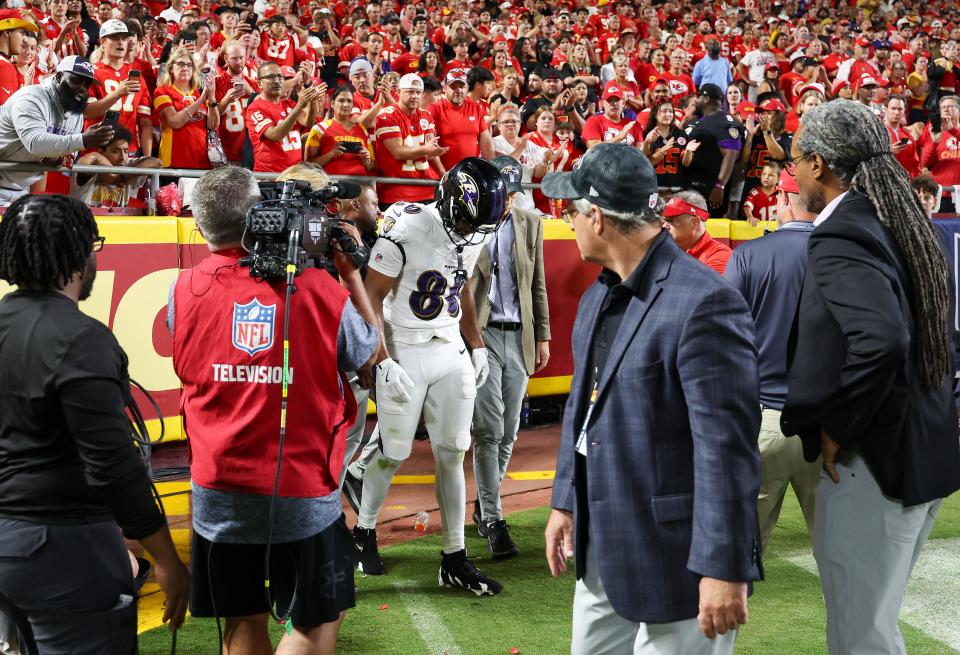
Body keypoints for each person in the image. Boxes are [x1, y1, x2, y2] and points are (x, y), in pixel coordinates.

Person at [541, 142, 762, 654]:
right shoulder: (600, 291)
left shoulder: (706, 300)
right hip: (601, 539)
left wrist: (724, 566)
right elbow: (583, 408)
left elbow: (725, 449)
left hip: (679, 557)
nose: (568, 222)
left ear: (596, 216)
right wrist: (565, 499)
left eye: (571, 211)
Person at [169, 166, 380, 655]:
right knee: (316, 622)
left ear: (200, 226)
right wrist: (348, 272)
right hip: (302, 490)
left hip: (217, 490)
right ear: (260, 217)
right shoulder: (317, 288)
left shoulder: (181, 290)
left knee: (241, 625)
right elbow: (369, 355)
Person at [782, 99, 960, 654]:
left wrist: (838, 426)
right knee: (870, 626)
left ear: (819, 163)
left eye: (794, 162)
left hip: (873, 464)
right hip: (922, 452)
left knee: (862, 637)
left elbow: (882, 340)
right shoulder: (901, 219)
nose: (792, 174)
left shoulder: (843, 232)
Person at [0, 194, 190, 653]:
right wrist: (166, 558)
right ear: (80, 256)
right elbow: (112, 465)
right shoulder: (80, 338)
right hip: (62, 546)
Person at [353, 158, 507, 597]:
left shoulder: (474, 229)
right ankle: (364, 530)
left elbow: (460, 288)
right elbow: (371, 296)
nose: (474, 231)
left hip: (449, 347)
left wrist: (476, 344)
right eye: (469, 220)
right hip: (404, 345)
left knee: (454, 450)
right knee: (394, 449)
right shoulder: (407, 227)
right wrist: (381, 358)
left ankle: (454, 557)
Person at [724, 166, 819, 554]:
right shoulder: (845, 255)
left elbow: (723, 341)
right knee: (847, 565)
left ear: (781, 200)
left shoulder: (749, 254)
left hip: (763, 419)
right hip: (829, 426)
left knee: (738, 560)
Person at [468, 156, 551, 558]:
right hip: (482, 336)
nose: (507, 198)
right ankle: (495, 519)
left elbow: (538, 283)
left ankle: (485, 505)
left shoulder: (530, 223)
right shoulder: (471, 223)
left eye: (512, 191)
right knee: (489, 429)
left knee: (510, 429)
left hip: (519, 335)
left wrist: (544, 336)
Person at [0, 55, 115, 204]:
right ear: (59, 76)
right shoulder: (31, 98)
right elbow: (35, 143)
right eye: (76, 80)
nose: (82, 88)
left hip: (20, 189)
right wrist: (83, 140)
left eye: (87, 84)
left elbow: (69, 157)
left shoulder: (75, 113)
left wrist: (58, 158)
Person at [373, 73, 446, 207]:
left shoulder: (426, 115)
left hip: (425, 189)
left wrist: (444, 175)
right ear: (399, 92)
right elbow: (398, 152)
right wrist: (426, 149)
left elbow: (431, 149)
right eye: (410, 92)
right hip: (395, 192)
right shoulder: (386, 116)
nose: (414, 96)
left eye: (418, 92)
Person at [680, 83, 743, 214]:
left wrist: (719, 185)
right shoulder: (703, 120)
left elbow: (731, 154)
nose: (696, 101)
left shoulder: (725, 122)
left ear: (706, 99)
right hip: (694, 185)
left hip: (709, 191)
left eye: (698, 97)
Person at [246, 61, 319, 172]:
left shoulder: (289, 104)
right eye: (271, 76)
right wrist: (299, 106)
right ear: (259, 83)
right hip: (270, 178)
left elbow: (308, 122)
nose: (277, 80)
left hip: (294, 174)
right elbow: (275, 135)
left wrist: (312, 100)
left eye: (280, 76)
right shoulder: (255, 108)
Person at [154, 45, 219, 170]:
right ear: (171, 68)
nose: (185, 68)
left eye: (189, 65)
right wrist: (200, 100)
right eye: (180, 64)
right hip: (174, 160)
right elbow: (175, 122)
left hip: (202, 160)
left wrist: (212, 99)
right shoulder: (162, 91)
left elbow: (213, 125)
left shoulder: (198, 91)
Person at [70, 124, 162, 206]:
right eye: (115, 151)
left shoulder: (127, 165)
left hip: (118, 223)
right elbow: (92, 157)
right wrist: (113, 174)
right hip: (84, 221)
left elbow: (156, 162)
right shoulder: (90, 166)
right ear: (102, 151)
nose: (122, 157)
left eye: (126, 151)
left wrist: (124, 176)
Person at [427, 67, 494, 171]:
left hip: (469, 175)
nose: (458, 90)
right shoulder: (434, 109)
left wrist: (490, 171)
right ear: (445, 88)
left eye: (462, 87)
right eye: (453, 87)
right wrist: (442, 174)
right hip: (444, 174)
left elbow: (486, 144)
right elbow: (430, 145)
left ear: (467, 88)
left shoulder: (475, 108)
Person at [305, 86, 374, 175]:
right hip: (332, 184)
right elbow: (308, 166)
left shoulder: (362, 129)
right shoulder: (319, 129)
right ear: (332, 103)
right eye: (341, 100)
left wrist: (366, 159)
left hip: (360, 183)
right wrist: (331, 154)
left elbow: (372, 166)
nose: (345, 105)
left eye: (349, 101)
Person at [661, 191, 733, 274]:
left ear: (695, 223)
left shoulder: (720, 255)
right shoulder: (664, 250)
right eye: (664, 220)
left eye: (670, 220)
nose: (664, 226)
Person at [0, 9, 40, 104]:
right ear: (7, 32)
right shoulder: (5, 66)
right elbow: (7, 116)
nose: (24, 39)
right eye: (21, 33)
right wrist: (25, 92)